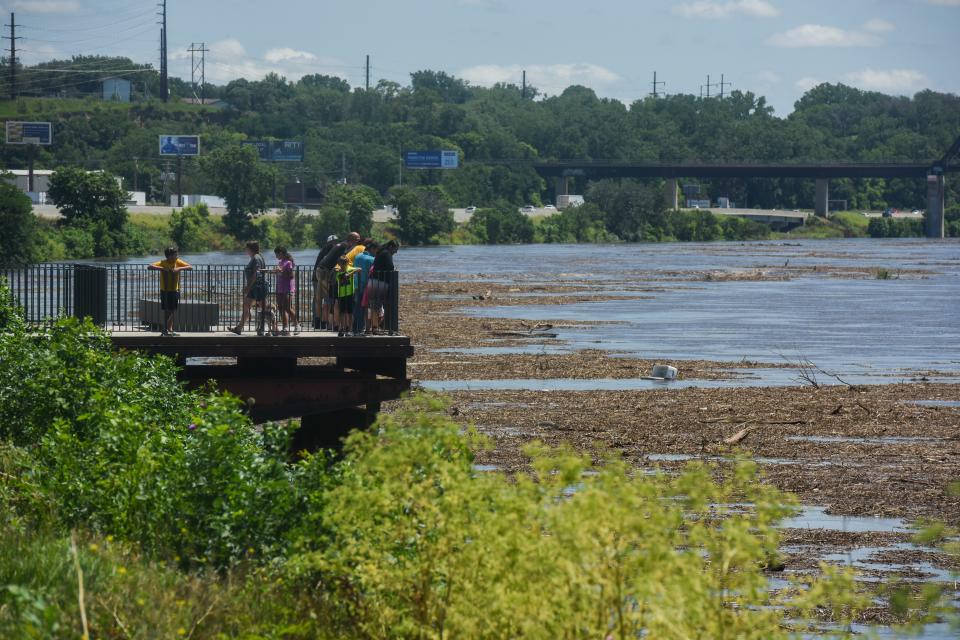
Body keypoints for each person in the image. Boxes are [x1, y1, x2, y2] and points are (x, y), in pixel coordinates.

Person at [316, 232, 360, 331]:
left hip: (321, 269)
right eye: (357, 240)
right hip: (325, 272)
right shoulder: (345, 246)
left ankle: (323, 323)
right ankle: (331, 325)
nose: (358, 242)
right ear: (351, 239)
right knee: (331, 299)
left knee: (324, 299)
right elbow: (344, 260)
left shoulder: (341, 244)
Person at [147, 246, 192, 336]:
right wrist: (162, 269)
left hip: (175, 289)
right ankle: (165, 329)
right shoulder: (163, 262)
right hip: (165, 290)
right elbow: (149, 267)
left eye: (176, 254)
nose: (177, 256)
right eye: (175, 255)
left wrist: (179, 269)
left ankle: (169, 329)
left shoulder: (178, 262)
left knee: (173, 310)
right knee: (167, 309)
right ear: (169, 256)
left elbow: (190, 267)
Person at [229, 241, 269, 336]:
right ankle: (239, 328)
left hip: (258, 286)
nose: (245, 250)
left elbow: (256, 274)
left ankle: (273, 328)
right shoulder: (257, 257)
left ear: (250, 249)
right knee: (246, 305)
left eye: (246, 249)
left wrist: (248, 287)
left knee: (264, 308)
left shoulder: (256, 258)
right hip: (255, 287)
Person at [368, 240, 399, 334]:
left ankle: (376, 327)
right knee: (376, 306)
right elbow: (390, 267)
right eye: (395, 249)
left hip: (374, 282)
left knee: (375, 306)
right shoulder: (386, 253)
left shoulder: (381, 252)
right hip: (379, 283)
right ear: (391, 247)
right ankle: (375, 328)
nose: (396, 252)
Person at [312, 234, 338, 329]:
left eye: (335, 241)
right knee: (327, 299)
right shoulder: (330, 249)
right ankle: (326, 322)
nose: (334, 243)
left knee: (318, 300)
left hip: (317, 275)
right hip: (323, 276)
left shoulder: (324, 249)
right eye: (333, 242)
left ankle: (317, 322)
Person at [352, 240, 377, 334]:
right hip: (366, 286)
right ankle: (364, 328)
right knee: (366, 307)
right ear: (372, 249)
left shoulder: (357, 256)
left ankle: (355, 328)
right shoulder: (371, 259)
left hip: (356, 285)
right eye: (376, 251)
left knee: (357, 307)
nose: (376, 253)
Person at [273, 246, 298, 335]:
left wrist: (281, 271)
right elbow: (280, 273)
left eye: (276, 254)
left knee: (287, 308)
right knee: (280, 308)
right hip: (280, 287)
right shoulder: (280, 262)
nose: (276, 256)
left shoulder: (288, 263)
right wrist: (276, 272)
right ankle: (285, 327)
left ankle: (297, 325)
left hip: (287, 288)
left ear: (281, 253)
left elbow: (291, 276)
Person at [334, 254, 360, 337]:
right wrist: (348, 274)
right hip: (341, 295)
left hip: (350, 294)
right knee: (342, 312)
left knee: (350, 312)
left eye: (344, 264)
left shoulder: (349, 269)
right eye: (341, 264)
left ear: (347, 263)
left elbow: (360, 269)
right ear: (339, 264)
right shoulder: (338, 272)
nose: (343, 266)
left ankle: (349, 329)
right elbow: (342, 277)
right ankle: (341, 328)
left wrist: (351, 273)